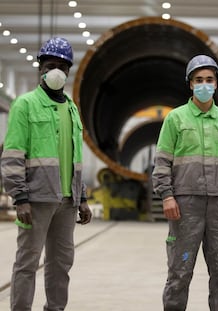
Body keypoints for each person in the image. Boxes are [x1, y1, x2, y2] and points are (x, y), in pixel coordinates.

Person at [0, 37, 92, 311]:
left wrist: (83, 197)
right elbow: (13, 154)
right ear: (40, 68)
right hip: (36, 199)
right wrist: (20, 198)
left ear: (68, 71)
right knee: (28, 262)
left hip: (67, 201)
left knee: (61, 263)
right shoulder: (25, 105)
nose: (56, 71)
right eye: (50, 65)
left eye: (62, 66)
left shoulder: (73, 109)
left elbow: (76, 158)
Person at [152, 54, 218, 311]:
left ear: (216, 84)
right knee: (180, 272)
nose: (204, 84)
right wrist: (167, 196)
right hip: (185, 206)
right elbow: (162, 162)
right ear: (190, 84)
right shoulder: (176, 119)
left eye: (209, 79)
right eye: (198, 80)